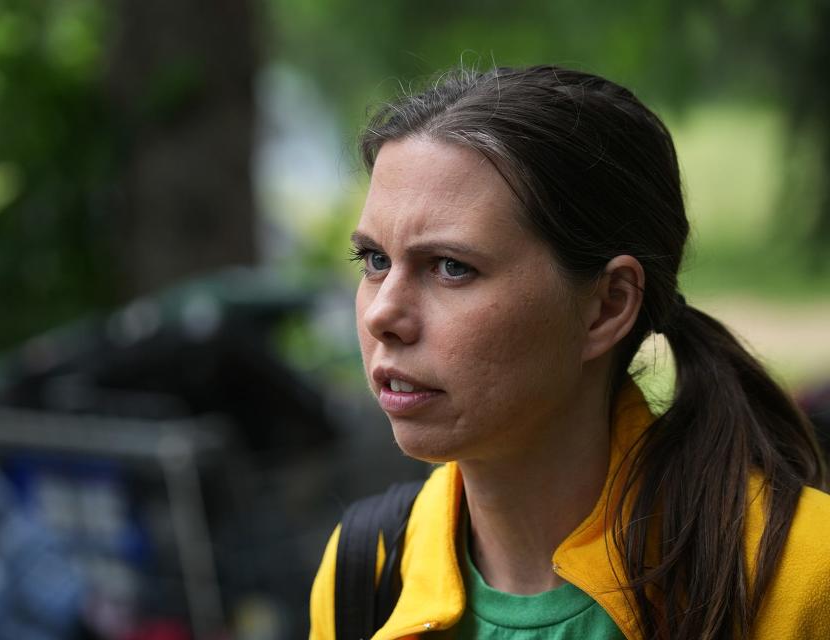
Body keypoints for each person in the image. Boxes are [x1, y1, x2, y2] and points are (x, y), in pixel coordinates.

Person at [308, 65, 830, 640]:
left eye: (452, 268)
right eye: (375, 261)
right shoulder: (368, 570)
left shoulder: (799, 575)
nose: (383, 314)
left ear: (607, 305)